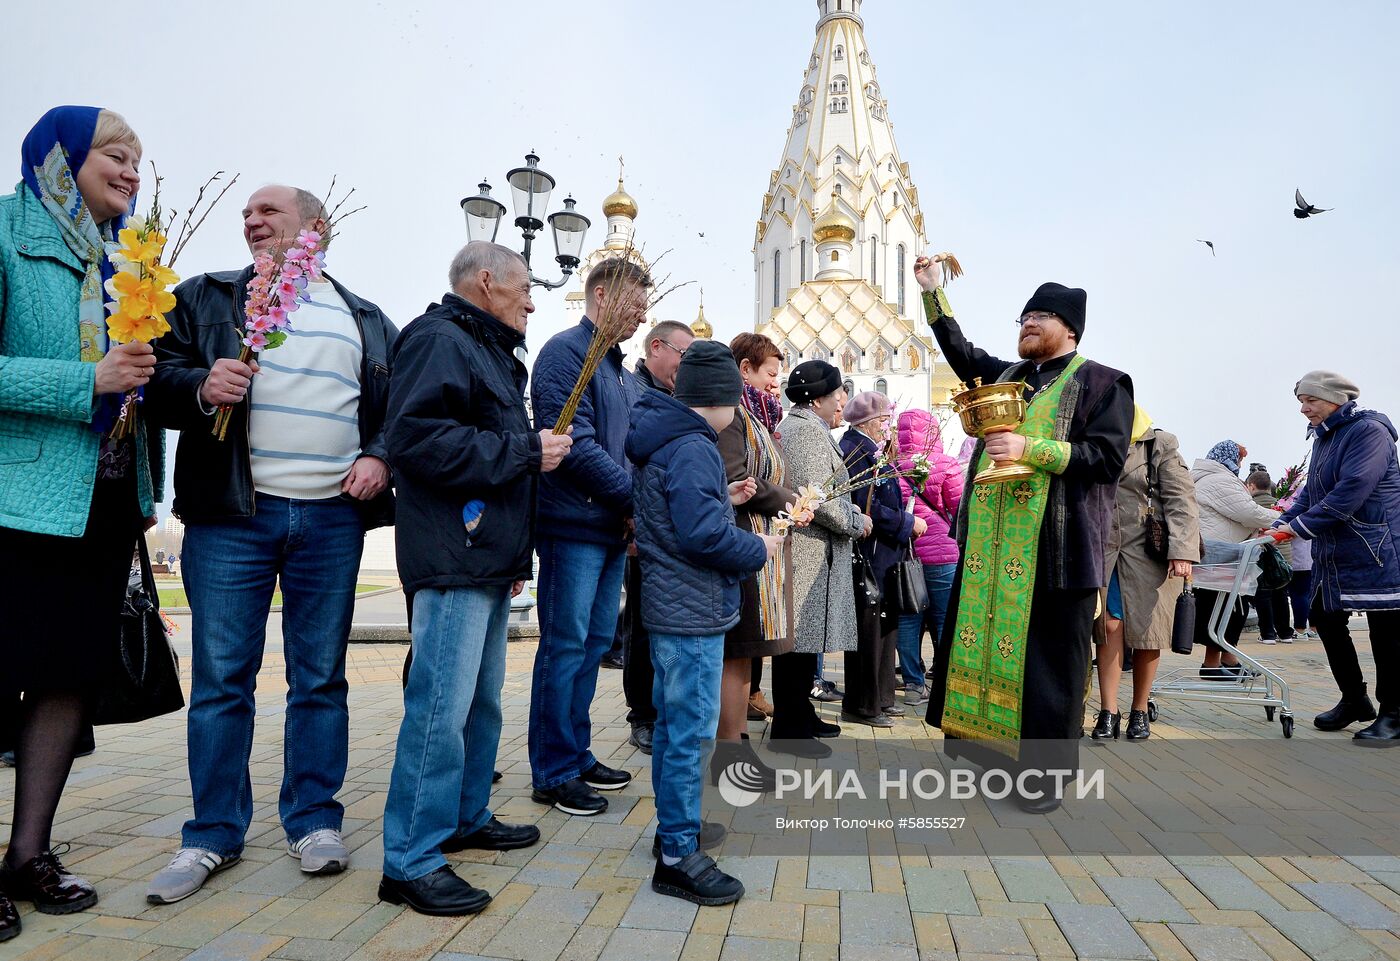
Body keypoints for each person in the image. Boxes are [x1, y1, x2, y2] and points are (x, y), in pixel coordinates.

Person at [144, 184, 397, 903]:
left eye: (269, 212)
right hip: (231, 516)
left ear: (315, 229)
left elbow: (398, 408)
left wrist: (378, 453)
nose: (252, 221)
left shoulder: (366, 317)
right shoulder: (207, 295)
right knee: (223, 679)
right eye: (246, 214)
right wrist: (199, 383)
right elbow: (151, 374)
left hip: (332, 519)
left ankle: (314, 818)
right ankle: (212, 832)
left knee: (320, 675)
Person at [0, 107, 160, 939]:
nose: (132, 171)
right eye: (116, 154)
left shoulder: (129, 256)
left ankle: (27, 854)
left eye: (139, 160)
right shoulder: (4, 228)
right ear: (62, 155)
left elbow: (129, 380)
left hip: (99, 504)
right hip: (14, 501)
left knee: (66, 676)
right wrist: (87, 378)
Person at [375, 242, 573, 915]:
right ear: (486, 282)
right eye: (523, 288)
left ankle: (463, 816)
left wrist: (514, 558)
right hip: (452, 553)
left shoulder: (485, 348)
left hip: (483, 555)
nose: (531, 300)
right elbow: (415, 441)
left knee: (480, 701)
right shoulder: (438, 338)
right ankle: (409, 858)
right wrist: (527, 448)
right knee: (439, 706)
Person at [915, 258, 1133, 813]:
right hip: (990, 550)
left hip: (1059, 551)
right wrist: (934, 294)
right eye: (1025, 315)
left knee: (1050, 669)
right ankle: (995, 763)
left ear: (1070, 328)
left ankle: (1044, 780)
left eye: (1043, 316)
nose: (1029, 323)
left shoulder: (1104, 382)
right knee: (991, 655)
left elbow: (1107, 459)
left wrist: (1030, 450)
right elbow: (962, 355)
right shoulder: (1009, 378)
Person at [627, 340, 780, 905]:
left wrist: (724, 496)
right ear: (721, 398)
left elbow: (681, 514)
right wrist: (757, 545)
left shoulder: (670, 439)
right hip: (690, 609)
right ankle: (677, 857)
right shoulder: (693, 446)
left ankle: (676, 829)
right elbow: (702, 536)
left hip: (675, 604)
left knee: (674, 730)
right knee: (688, 733)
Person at [528, 258, 647, 815]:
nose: (642, 315)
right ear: (601, 295)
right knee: (565, 644)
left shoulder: (618, 370)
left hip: (605, 527)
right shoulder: (566, 353)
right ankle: (552, 769)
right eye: (635, 303)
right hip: (571, 524)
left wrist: (627, 508)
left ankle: (575, 754)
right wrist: (634, 500)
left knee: (595, 644)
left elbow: (624, 450)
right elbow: (571, 441)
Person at [1274, 372, 1400, 743]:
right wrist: (1280, 523)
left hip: (1377, 546)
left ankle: (1394, 713)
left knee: (1387, 632)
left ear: (1334, 398)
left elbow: (1354, 488)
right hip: (1335, 549)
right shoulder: (1325, 437)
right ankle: (1355, 699)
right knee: (1325, 618)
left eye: (1310, 400)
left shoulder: (1369, 431)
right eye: (1301, 400)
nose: (1303, 408)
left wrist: (1298, 528)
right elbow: (1311, 493)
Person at [714, 333, 810, 789]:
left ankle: (738, 746)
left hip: (762, 543)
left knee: (746, 656)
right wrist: (789, 499)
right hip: (743, 542)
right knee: (738, 654)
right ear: (745, 368)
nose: (777, 383)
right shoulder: (732, 415)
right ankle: (730, 754)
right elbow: (736, 477)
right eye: (770, 373)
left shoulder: (755, 414)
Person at [771, 361, 870, 758]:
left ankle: (801, 713)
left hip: (816, 552)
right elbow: (817, 495)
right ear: (816, 399)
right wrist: (856, 520)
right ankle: (789, 728)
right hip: (810, 552)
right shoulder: (806, 433)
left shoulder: (807, 427)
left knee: (805, 641)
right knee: (797, 644)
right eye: (836, 396)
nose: (841, 403)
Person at [1092, 408, 1199, 741]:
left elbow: (1181, 498)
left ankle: (1139, 709)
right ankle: (1109, 709)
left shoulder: (1159, 444)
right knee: (1109, 627)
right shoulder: (1093, 441)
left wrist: (1182, 550)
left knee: (1148, 633)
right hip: (1105, 550)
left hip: (1149, 552)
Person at [620, 320, 696, 754]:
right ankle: (642, 716)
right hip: (642, 528)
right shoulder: (636, 393)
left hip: (667, 529)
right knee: (643, 626)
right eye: (682, 356)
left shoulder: (670, 396)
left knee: (662, 623)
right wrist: (632, 517)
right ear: (656, 347)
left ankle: (661, 709)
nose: (683, 369)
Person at [839, 393, 921, 726]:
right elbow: (864, 503)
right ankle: (863, 704)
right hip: (870, 554)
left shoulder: (872, 450)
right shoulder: (855, 451)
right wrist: (906, 522)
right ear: (870, 422)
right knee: (869, 630)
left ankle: (883, 697)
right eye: (884, 420)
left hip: (886, 555)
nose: (887, 426)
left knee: (886, 626)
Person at [1188, 441, 1277, 679]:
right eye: (1239, 459)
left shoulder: (1205, 477)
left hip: (1214, 557)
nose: (1239, 465)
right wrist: (1282, 520)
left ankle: (1225, 660)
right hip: (1221, 559)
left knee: (1226, 610)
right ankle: (1213, 666)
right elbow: (1249, 513)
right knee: (1227, 611)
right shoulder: (1220, 480)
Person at [894, 409, 962, 705]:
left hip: (908, 554)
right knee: (946, 620)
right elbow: (960, 508)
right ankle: (948, 683)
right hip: (945, 553)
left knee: (909, 618)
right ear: (933, 431)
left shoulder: (891, 467)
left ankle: (913, 685)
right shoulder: (946, 464)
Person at [1244, 468, 1294, 643]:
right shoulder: (1283, 505)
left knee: (1262, 594)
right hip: (1283, 557)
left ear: (1251, 485)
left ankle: (1268, 634)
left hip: (1261, 556)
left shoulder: (1250, 505)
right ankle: (1286, 633)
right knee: (1281, 594)